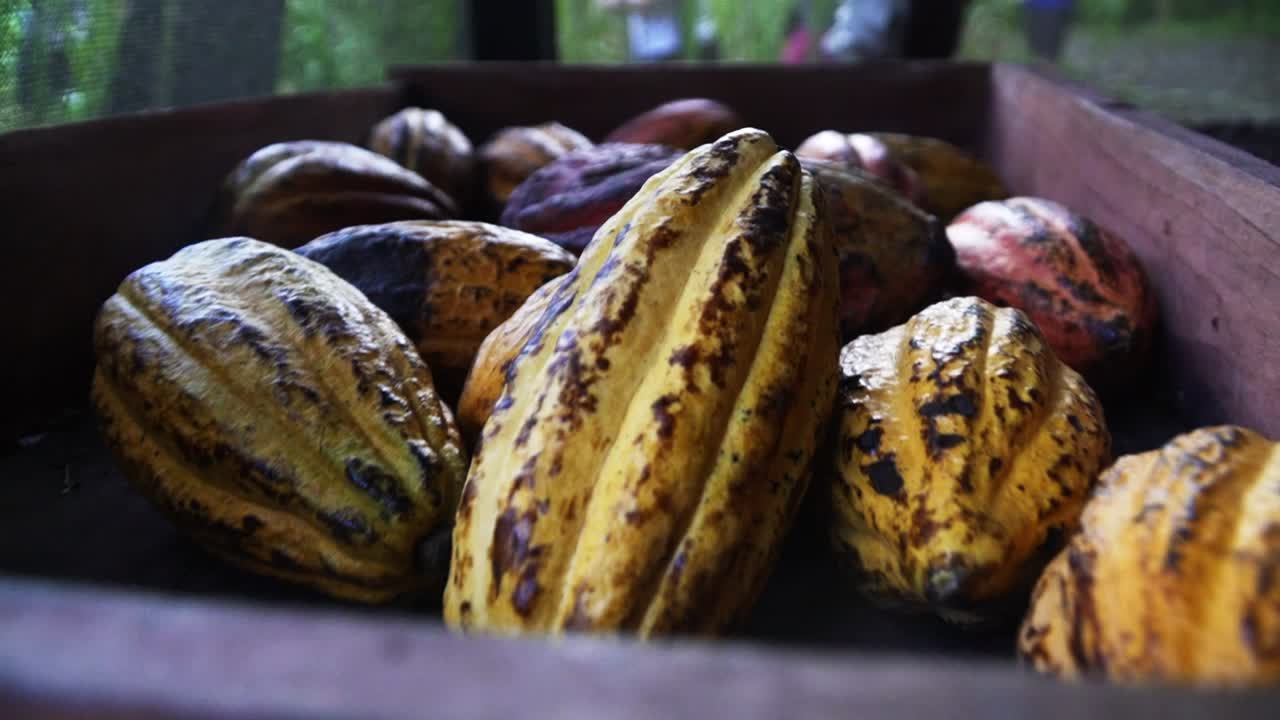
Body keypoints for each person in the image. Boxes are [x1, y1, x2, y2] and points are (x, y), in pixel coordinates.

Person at [598, 0, 685, 63]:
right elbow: (606, 4)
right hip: (638, 51)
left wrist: (622, 3)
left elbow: (646, 3)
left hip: (666, 49)